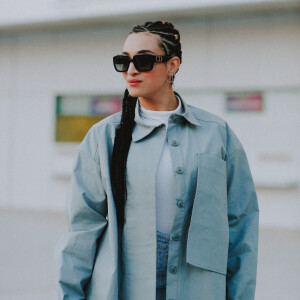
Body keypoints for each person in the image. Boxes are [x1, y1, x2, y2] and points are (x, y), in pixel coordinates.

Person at [54, 20, 259, 300]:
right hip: (126, 285)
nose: (132, 69)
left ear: (173, 65)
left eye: (144, 60)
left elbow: (241, 226)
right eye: (123, 61)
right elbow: (82, 229)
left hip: (198, 288)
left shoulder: (217, 134)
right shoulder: (103, 137)